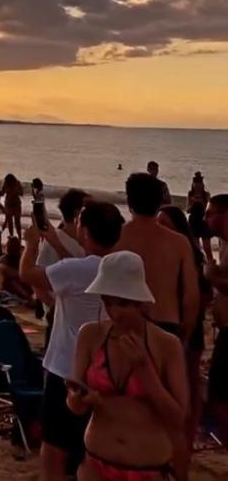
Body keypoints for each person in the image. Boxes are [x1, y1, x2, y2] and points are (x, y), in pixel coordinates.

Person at [20, 201, 124, 481]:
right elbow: (78, 268)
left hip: (65, 370)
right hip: (105, 370)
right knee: (88, 449)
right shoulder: (120, 268)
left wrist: (30, 244)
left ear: (86, 231)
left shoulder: (75, 270)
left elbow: (27, 274)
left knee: (54, 451)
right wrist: (54, 239)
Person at [68, 251, 188, 481]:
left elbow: (177, 418)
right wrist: (77, 399)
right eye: (107, 302)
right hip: (96, 463)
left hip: (147, 469)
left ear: (141, 303)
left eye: (123, 303)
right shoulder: (90, 335)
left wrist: (145, 370)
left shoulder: (166, 344)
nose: (114, 312)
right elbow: (75, 402)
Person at [116, 173, 199, 340]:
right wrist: (187, 331)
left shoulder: (115, 237)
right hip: (167, 322)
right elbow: (191, 296)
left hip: (125, 322)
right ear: (160, 202)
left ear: (129, 201)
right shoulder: (179, 242)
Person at [158, 205, 211, 451]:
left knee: (186, 385)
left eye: (165, 224)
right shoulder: (162, 253)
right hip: (170, 327)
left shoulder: (187, 253)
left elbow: (198, 298)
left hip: (187, 328)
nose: (160, 230)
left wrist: (186, 329)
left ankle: (184, 440)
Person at [204, 194, 228, 444]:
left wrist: (213, 279)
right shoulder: (222, 241)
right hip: (223, 327)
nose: (206, 218)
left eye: (211, 213)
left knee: (219, 394)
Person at [187, 172, 213, 264]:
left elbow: (208, 210)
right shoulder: (190, 194)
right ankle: (199, 263)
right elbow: (188, 210)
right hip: (194, 220)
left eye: (200, 184)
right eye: (196, 184)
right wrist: (193, 203)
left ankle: (210, 263)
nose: (198, 186)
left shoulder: (206, 194)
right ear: (193, 184)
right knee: (196, 245)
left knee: (207, 246)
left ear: (202, 184)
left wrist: (201, 202)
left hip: (203, 220)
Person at [0, 237, 34, 303]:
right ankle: (28, 297)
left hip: (23, 281)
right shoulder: (3, 259)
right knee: (12, 281)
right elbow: (6, 271)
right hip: (11, 285)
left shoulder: (21, 258)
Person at [2, 173, 24, 238]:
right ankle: (14, 237)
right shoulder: (9, 184)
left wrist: (16, 190)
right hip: (11, 204)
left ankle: (17, 237)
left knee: (14, 222)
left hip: (13, 204)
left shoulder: (16, 183)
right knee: (12, 222)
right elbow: (2, 193)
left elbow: (21, 193)